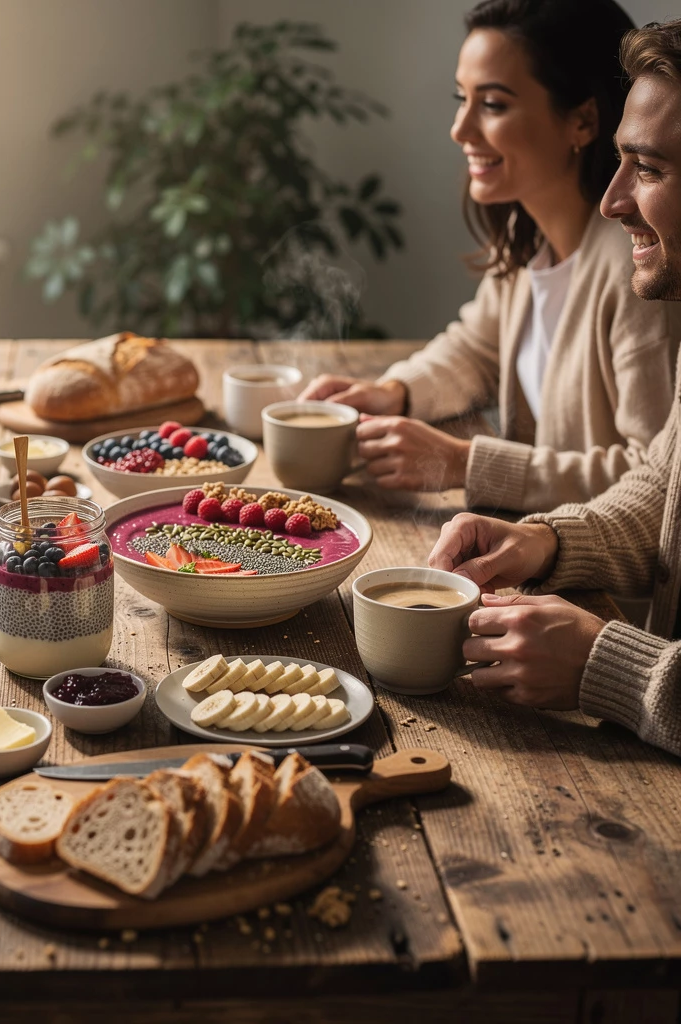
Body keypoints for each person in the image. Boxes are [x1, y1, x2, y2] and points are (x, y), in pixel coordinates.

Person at [301, 0, 681, 514]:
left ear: (583, 121)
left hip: (598, 588)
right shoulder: (530, 242)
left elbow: (655, 479)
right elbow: (478, 347)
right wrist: (392, 393)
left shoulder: (637, 267)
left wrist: (465, 463)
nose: (460, 129)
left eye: (494, 104)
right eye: (463, 98)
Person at [427, 17, 681, 759]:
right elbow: (659, 494)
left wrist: (608, 665)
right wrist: (543, 539)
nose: (615, 201)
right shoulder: (534, 244)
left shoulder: (637, 284)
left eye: (651, 169)